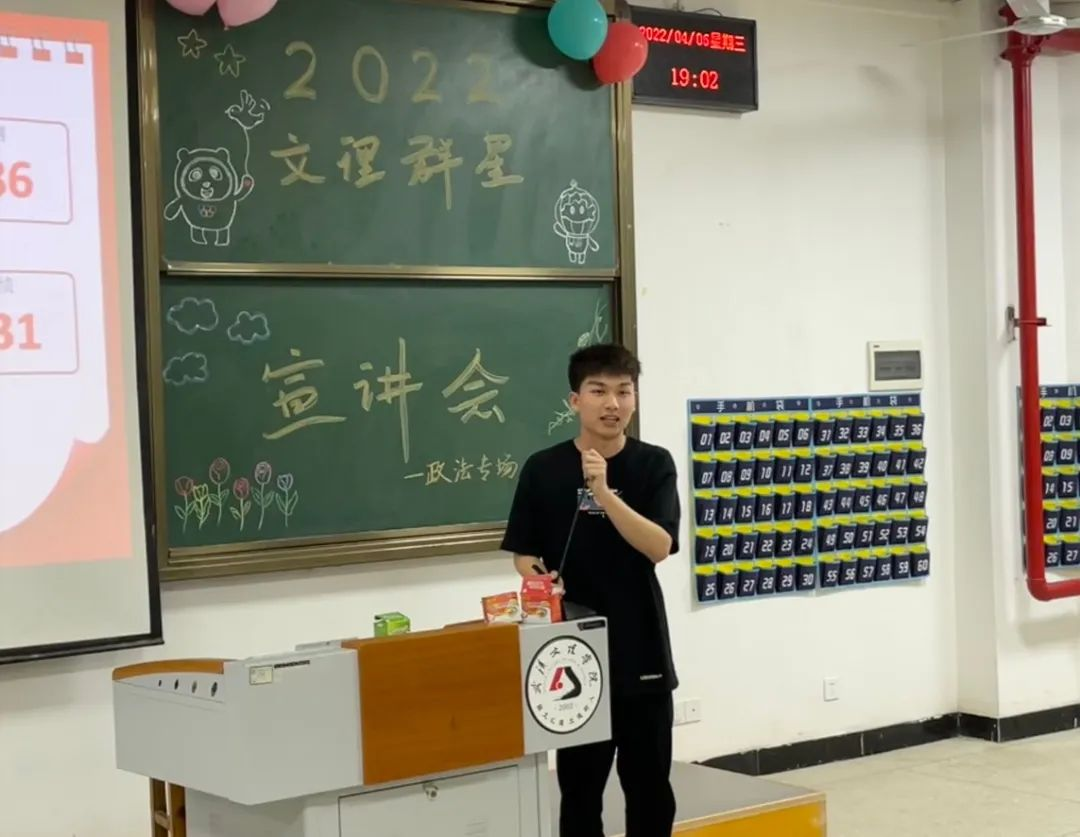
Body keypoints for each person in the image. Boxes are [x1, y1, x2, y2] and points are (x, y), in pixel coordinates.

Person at [501, 343, 680, 837]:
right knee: (579, 792)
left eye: (624, 391)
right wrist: (538, 576)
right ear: (575, 401)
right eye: (598, 391)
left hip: (641, 647)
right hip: (573, 655)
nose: (613, 403)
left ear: (635, 399)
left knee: (649, 788)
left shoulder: (654, 464)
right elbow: (523, 552)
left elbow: (659, 546)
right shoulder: (542, 467)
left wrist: (602, 492)